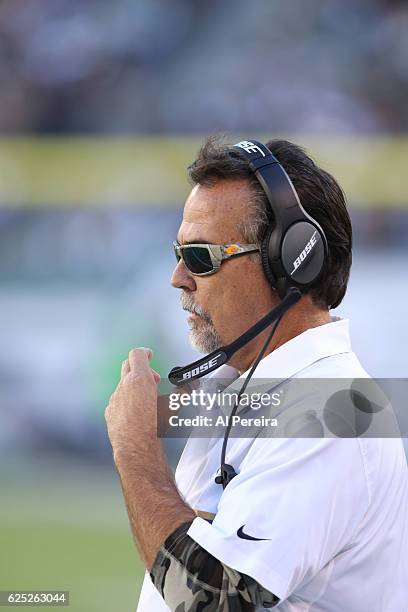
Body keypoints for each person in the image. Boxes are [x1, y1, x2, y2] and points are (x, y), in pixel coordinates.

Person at [105, 137, 408, 611]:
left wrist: (134, 448)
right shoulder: (251, 386)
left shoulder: (335, 415)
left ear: (291, 263)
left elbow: (213, 602)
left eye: (201, 257)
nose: (178, 277)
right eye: (178, 252)